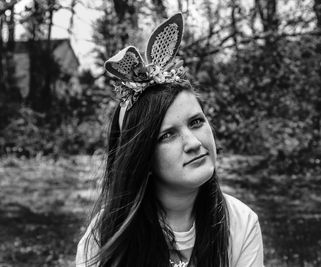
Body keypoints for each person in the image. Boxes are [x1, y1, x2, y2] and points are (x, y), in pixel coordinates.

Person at [76, 13, 264, 267]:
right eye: (167, 135)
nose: (194, 143)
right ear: (143, 157)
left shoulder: (240, 224)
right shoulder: (104, 239)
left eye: (196, 122)